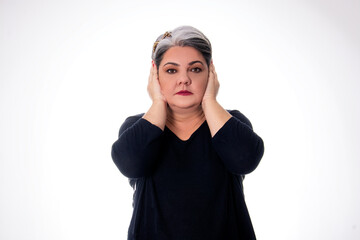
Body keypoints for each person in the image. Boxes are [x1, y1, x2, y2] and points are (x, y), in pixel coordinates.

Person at [111, 26, 264, 240]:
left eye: (195, 69)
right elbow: (130, 164)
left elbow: (245, 160)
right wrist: (157, 102)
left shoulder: (231, 122)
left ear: (210, 73)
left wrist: (210, 101)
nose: (184, 79)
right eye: (171, 70)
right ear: (155, 75)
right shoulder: (138, 126)